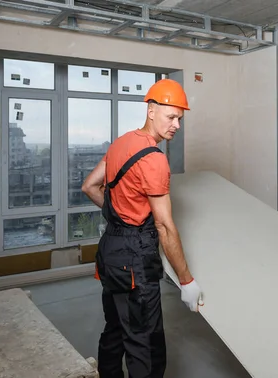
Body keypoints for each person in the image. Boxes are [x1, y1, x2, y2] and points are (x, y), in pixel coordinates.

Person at [81, 78, 203, 377]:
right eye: (170, 117)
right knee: (145, 344)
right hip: (134, 260)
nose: (176, 125)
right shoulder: (154, 159)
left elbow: (90, 186)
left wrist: (121, 217)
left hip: (110, 251)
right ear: (151, 110)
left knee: (115, 330)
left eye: (180, 119)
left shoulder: (121, 143)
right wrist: (186, 282)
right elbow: (163, 224)